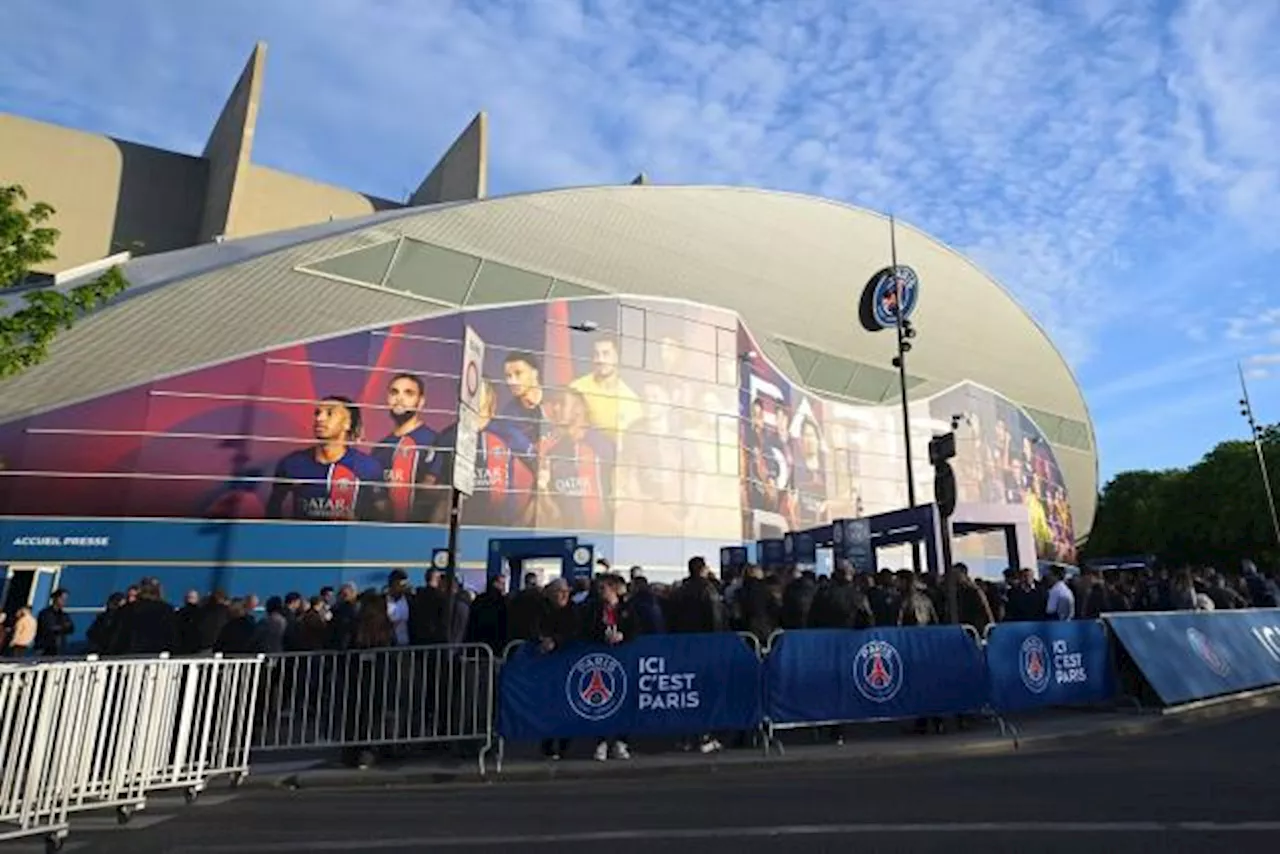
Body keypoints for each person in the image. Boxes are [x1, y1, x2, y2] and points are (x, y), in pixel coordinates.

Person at [266, 396, 387, 521]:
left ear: (347, 424)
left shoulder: (368, 467)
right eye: (317, 413)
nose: (319, 418)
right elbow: (273, 511)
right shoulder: (291, 464)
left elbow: (384, 517)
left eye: (330, 413)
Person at [579, 574, 635, 762]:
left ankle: (621, 741)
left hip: (624, 659)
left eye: (604, 588)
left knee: (624, 699)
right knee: (601, 702)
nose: (600, 591)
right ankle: (601, 741)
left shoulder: (628, 609)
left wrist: (623, 635)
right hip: (600, 660)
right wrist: (601, 636)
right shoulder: (593, 609)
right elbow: (586, 629)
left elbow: (637, 629)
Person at [372, 374, 440, 523]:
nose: (399, 398)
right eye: (394, 392)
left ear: (420, 402)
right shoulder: (379, 448)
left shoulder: (435, 442)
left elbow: (435, 495)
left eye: (408, 393)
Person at [569, 334, 642, 441]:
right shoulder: (577, 388)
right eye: (596, 354)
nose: (600, 360)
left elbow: (633, 441)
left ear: (617, 357)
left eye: (606, 354)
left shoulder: (630, 400)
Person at [111, 580, 179, 654]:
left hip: (131, 655)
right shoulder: (166, 609)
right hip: (159, 656)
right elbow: (173, 637)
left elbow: (118, 636)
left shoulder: (127, 609)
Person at [35, 589, 74, 657]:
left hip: (59, 648)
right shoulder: (45, 613)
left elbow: (71, 628)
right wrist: (63, 627)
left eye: (65, 599)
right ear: (55, 598)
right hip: (45, 647)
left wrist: (61, 627)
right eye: (62, 598)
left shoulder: (64, 615)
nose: (64, 601)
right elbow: (48, 628)